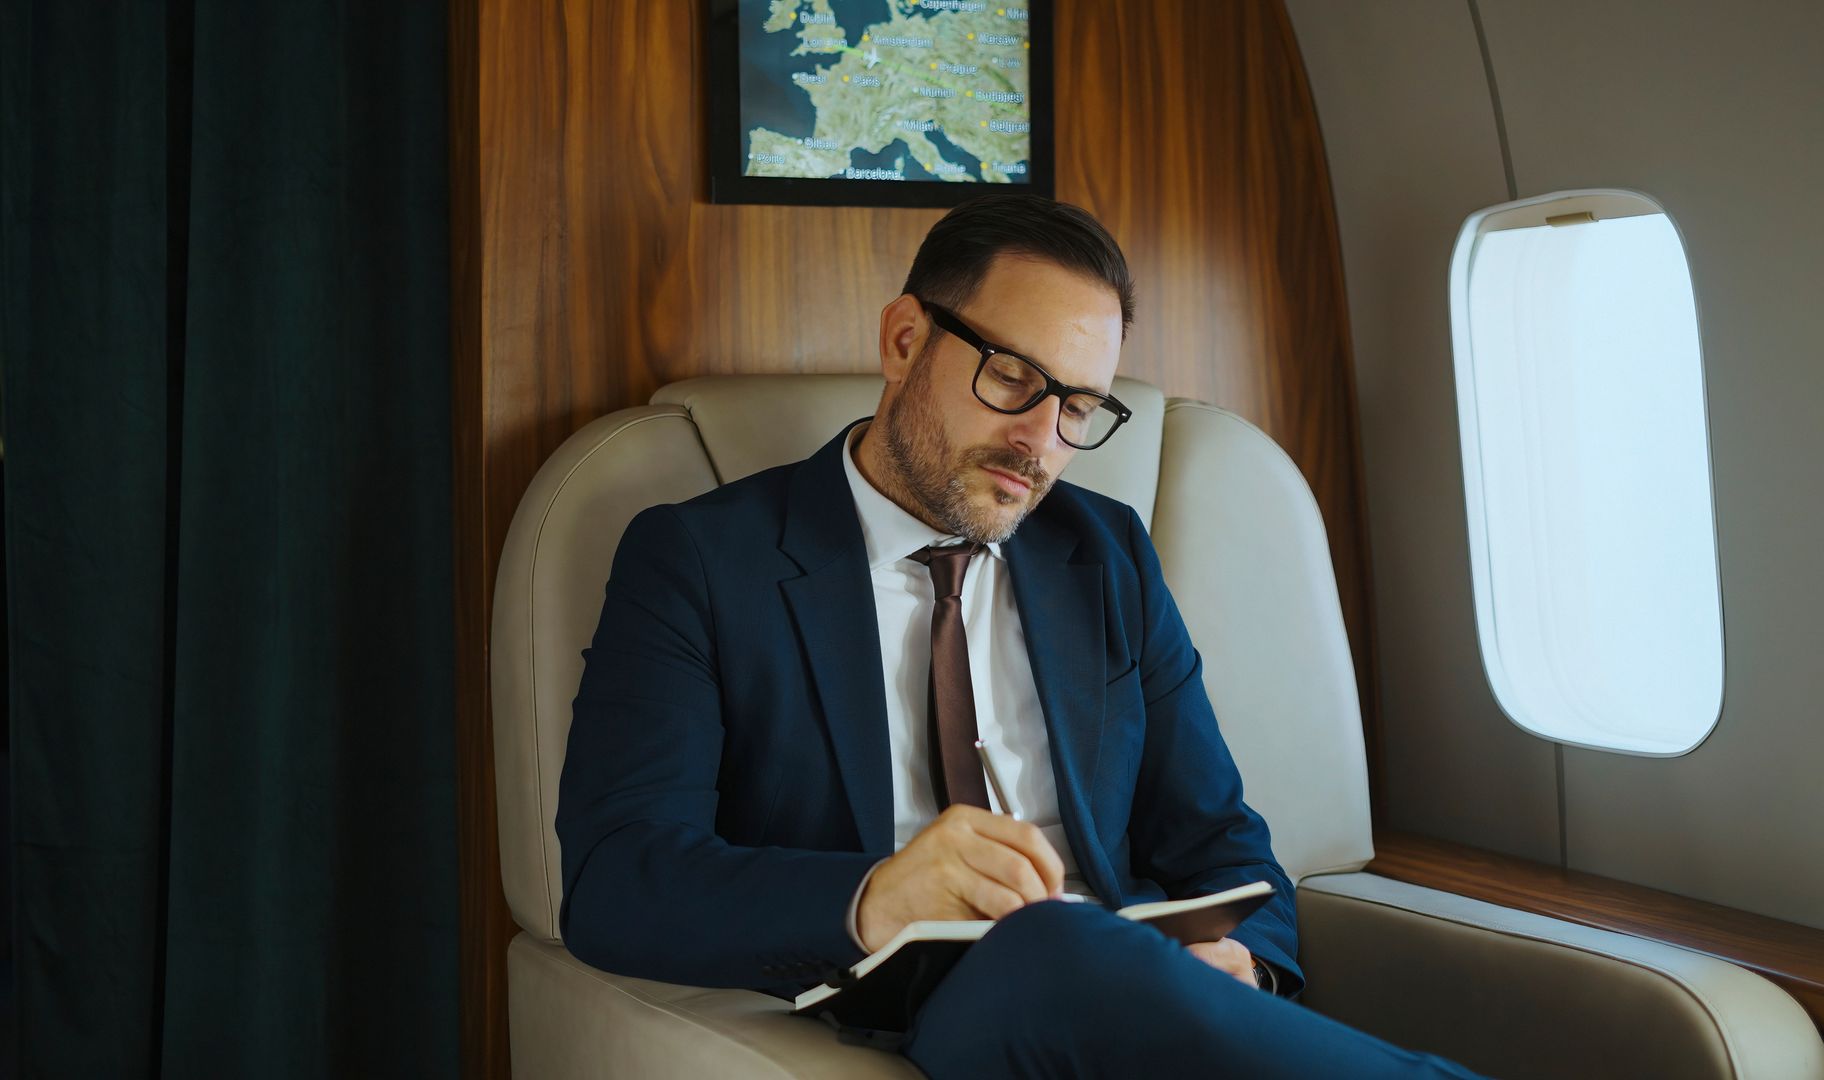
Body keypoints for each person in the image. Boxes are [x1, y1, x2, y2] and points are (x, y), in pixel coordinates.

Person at [556, 194, 1484, 1078]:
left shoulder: (1109, 554)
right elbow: (617, 880)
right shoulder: (700, 560)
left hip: (1129, 986)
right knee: (1051, 945)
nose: (1040, 441)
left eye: (1077, 407)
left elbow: (1222, 843)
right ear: (904, 340)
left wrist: (1243, 962)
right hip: (933, 997)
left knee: (1084, 948)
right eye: (1012, 378)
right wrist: (872, 898)